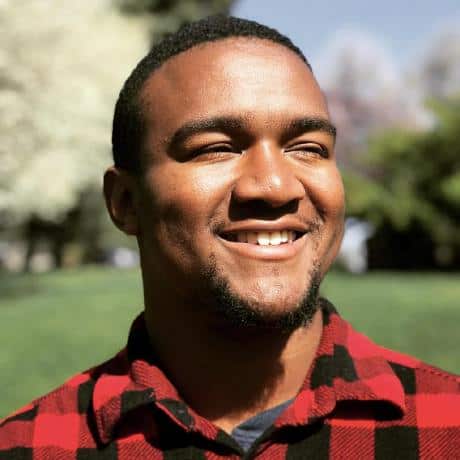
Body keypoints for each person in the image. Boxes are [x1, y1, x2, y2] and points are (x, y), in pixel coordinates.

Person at [0, 15, 458, 459]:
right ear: (125, 202)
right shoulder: (31, 447)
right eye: (216, 148)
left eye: (308, 148)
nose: (275, 186)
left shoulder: (446, 429)